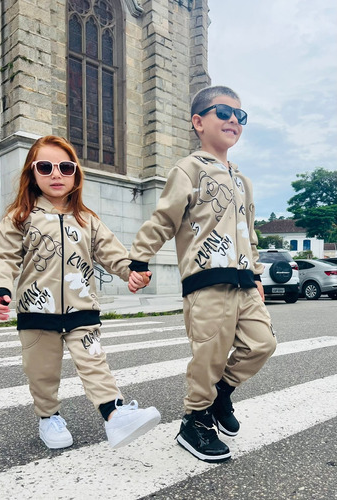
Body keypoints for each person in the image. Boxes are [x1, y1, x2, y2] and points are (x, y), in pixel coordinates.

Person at [128, 86, 277, 463]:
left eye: (240, 116)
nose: (233, 121)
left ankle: (220, 395)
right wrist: (139, 260)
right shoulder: (189, 169)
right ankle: (194, 421)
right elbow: (164, 219)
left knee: (262, 344)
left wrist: (256, 274)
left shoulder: (243, 180)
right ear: (198, 122)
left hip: (244, 283)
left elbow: (250, 233)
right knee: (208, 355)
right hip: (206, 283)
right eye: (223, 112)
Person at [0, 135, 160, 450]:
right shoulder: (19, 217)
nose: (56, 174)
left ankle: (115, 415)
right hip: (36, 310)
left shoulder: (87, 220)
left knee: (95, 361)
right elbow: (3, 257)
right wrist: (0, 287)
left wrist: (131, 272)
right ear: (32, 173)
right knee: (41, 371)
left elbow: (113, 253)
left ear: (75, 174)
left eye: (65, 167)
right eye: (45, 167)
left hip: (82, 307)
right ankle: (48, 417)